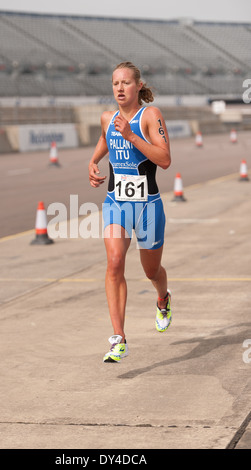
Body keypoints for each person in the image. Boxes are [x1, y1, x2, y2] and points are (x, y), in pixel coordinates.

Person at [88, 61, 172, 363]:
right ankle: (118, 337)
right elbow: (104, 139)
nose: (119, 88)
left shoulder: (150, 116)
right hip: (116, 203)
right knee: (114, 263)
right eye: (114, 83)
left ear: (138, 86)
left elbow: (164, 159)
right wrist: (93, 161)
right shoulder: (107, 118)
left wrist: (133, 137)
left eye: (125, 83)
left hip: (148, 206)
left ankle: (163, 298)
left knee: (151, 271)